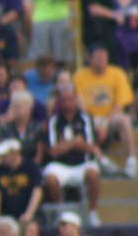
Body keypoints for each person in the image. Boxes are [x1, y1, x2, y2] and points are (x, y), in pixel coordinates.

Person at [72, 43, 138, 177]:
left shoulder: (117, 73)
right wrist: (92, 122)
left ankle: (131, 162)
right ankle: (102, 161)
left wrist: (105, 123)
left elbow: (121, 103)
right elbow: (79, 102)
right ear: (89, 59)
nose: (101, 61)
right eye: (97, 57)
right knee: (82, 126)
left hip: (110, 116)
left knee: (124, 120)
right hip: (90, 116)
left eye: (104, 57)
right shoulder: (80, 75)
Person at [43, 86, 104, 226]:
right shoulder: (53, 121)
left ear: (75, 100)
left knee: (93, 173)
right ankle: (60, 211)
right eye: (63, 100)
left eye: (69, 99)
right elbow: (52, 151)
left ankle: (93, 211)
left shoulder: (85, 118)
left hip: (83, 163)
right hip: (61, 165)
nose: (66, 103)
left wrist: (65, 145)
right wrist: (75, 142)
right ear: (59, 101)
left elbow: (91, 147)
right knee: (50, 179)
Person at [0, 138, 44, 225]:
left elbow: (37, 190)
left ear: (14, 153)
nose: (1, 158)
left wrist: (29, 214)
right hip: (7, 216)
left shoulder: (31, 167)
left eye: (4, 155)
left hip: (30, 214)